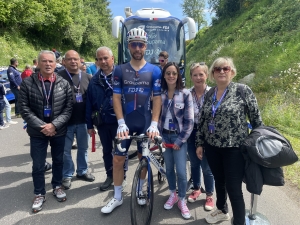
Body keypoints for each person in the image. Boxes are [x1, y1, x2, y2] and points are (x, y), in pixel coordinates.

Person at [101, 27, 162, 214]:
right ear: (129, 46)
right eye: (134, 44)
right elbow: (116, 97)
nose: (137, 48)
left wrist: (154, 123)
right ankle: (118, 197)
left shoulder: (155, 70)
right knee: (118, 159)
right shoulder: (119, 70)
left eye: (141, 45)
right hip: (126, 123)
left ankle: (140, 190)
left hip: (144, 121)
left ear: (146, 47)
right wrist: (120, 122)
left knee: (144, 158)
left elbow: (157, 98)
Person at [195, 57, 263, 225]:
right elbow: (203, 120)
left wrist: (256, 145)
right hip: (212, 147)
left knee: (233, 188)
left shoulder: (242, 90)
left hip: (234, 149)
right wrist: (200, 143)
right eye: (217, 69)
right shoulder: (210, 93)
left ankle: (239, 221)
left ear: (232, 72)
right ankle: (222, 210)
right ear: (213, 74)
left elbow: (257, 121)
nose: (222, 72)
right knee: (219, 181)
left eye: (225, 68)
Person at [18, 50, 73, 213]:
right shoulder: (28, 83)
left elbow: (68, 108)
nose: (48, 64)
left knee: (58, 161)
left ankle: (57, 186)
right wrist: (43, 126)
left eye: (51, 61)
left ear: (56, 63)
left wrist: (54, 125)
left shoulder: (63, 83)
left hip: (58, 130)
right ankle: (39, 193)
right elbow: (23, 108)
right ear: (38, 63)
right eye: (44, 61)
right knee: (38, 164)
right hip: (37, 132)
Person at [86, 46, 126, 191]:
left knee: (121, 150)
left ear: (112, 59)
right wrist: (89, 125)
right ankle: (110, 176)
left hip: (120, 122)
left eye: (105, 58)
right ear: (96, 61)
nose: (103, 61)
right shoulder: (94, 80)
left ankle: (123, 175)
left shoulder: (122, 75)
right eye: (100, 59)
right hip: (102, 122)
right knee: (107, 151)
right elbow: (89, 103)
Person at [158, 62, 193, 219]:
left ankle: (182, 199)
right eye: (168, 73)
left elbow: (189, 121)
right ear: (164, 76)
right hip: (165, 137)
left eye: (174, 73)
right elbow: (156, 117)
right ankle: (172, 193)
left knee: (181, 171)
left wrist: (180, 140)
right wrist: (158, 136)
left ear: (178, 75)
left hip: (179, 138)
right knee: (169, 169)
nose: (171, 76)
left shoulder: (185, 94)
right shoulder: (160, 93)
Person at [58, 50, 95, 190]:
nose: (73, 61)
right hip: (64, 122)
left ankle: (82, 171)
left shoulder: (88, 77)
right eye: (70, 59)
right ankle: (67, 174)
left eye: (76, 59)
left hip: (83, 121)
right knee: (65, 151)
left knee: (83, 148)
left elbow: (92, 100)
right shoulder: (58, 77)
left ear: (80, 61)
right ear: (64, 62)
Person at [187, 62, 215, 210]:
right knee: (194, 163)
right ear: (191, 77)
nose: (198, 77)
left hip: (207, 133)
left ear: (206, 75)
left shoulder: (213, 93)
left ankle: (209, 195)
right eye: (195, 75)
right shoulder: (187, 93)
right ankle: (197, 188)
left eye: (201, 74)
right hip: (191, 132)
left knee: (206, 166)